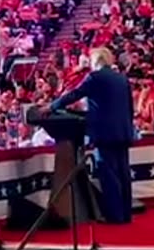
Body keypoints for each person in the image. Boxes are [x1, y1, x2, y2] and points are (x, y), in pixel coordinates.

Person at [43, 47, 136, 224]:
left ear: (95, 62)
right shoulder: (122, 79)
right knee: (123, 173)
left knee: (109, 175)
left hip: (105, 133)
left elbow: (74, 94)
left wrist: (52, 107)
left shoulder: (95, 78)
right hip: (123, 132)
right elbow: (130, 108)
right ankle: (126, 214)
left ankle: (115, 216)